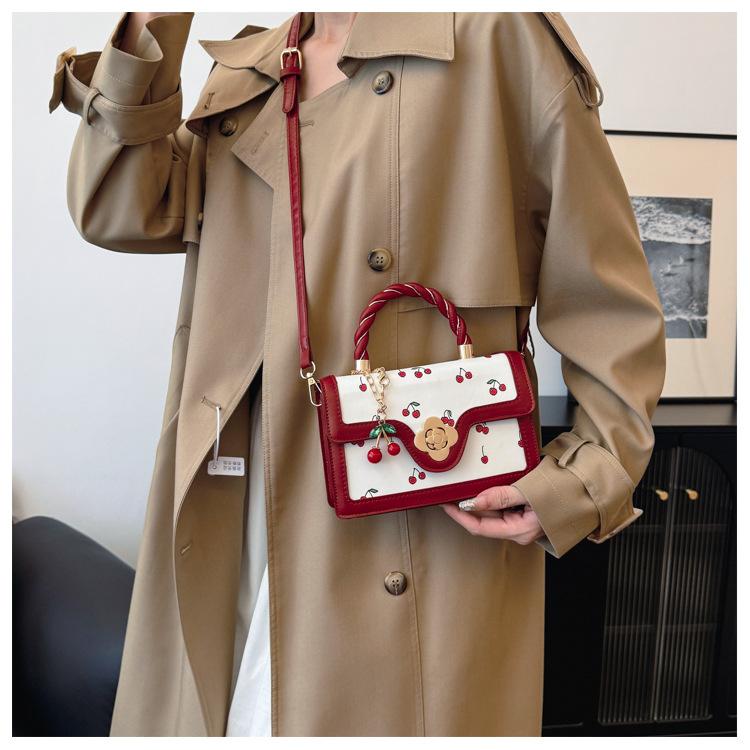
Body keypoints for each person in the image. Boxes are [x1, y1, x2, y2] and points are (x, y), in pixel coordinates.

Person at [50, 11, 666, 736]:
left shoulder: (497, 37)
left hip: (416, 532)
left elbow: (606, 297)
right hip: (234, 516)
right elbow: (120, 210)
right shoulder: (253, 68)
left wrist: (580, 482)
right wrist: (151, 25)